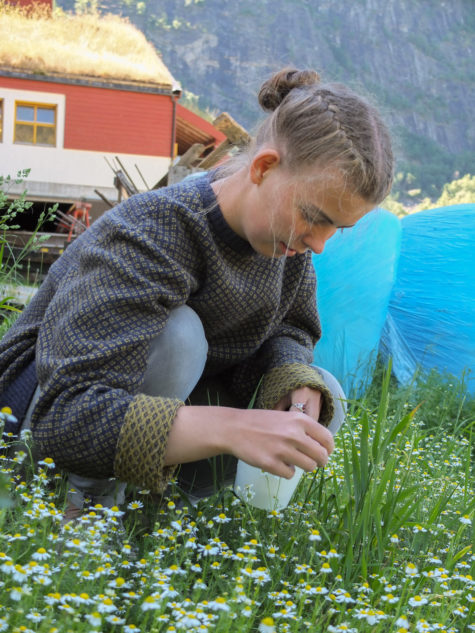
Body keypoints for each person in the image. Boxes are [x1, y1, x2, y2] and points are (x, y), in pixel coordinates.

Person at [0, 67, 393, 517]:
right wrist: (233, 427)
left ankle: (157, 511)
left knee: (325, 390)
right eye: (314, 217)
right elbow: (66, 418)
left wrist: (292, 382)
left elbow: (290, 326)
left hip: (122, 422)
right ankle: (82, 511)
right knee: (179, 335)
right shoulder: (154, 230)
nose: (319, 244)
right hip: (31, 424)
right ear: (265, 167)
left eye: (336, 229)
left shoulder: (285, 241)